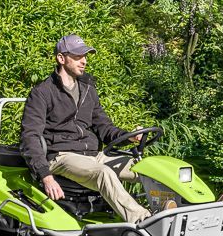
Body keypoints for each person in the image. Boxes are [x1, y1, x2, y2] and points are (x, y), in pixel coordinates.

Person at [20, 34, 151, 224]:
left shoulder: (88, 88)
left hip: (91, 155)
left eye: (86, 56)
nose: (84, 61)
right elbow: (30, 137)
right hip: (62, 156)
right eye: (78, 56)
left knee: (146, 168)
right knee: (103, 172)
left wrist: (129, 137)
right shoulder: (42, 93)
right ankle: (144, 221)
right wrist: (45, 176)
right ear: (61, 58)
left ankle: (173, 211)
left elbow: (104, 127)